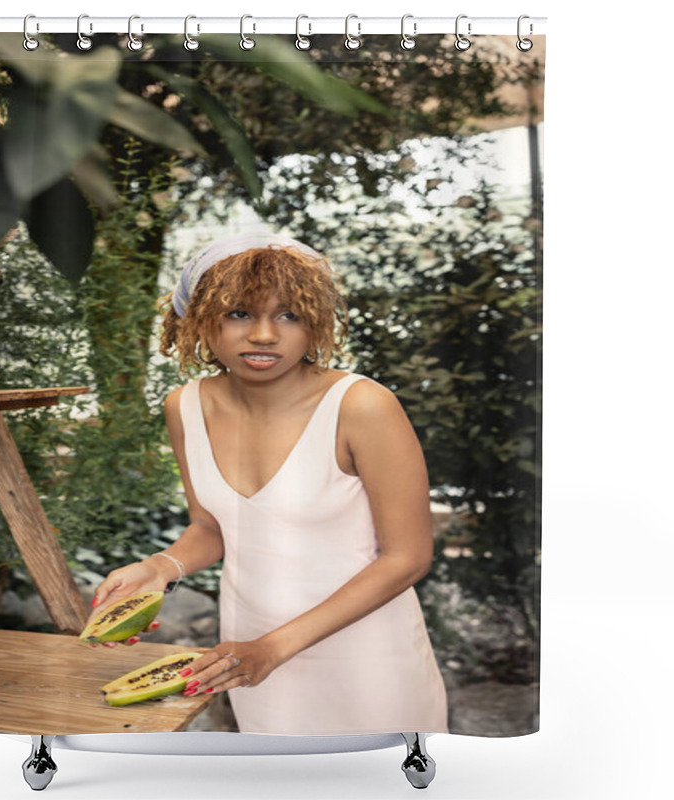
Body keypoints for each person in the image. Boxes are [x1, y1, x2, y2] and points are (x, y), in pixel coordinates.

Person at [89, 233, 448, 735]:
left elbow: (406, 558)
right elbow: (214, 527)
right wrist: (157, 568)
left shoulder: (361, 406)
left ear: (315, 323)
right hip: (249, 653)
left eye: (289, 315)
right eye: (239, 313)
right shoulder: (185, 406)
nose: (263, 334)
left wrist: (272, 649)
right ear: (199, 318)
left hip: (366, 658)